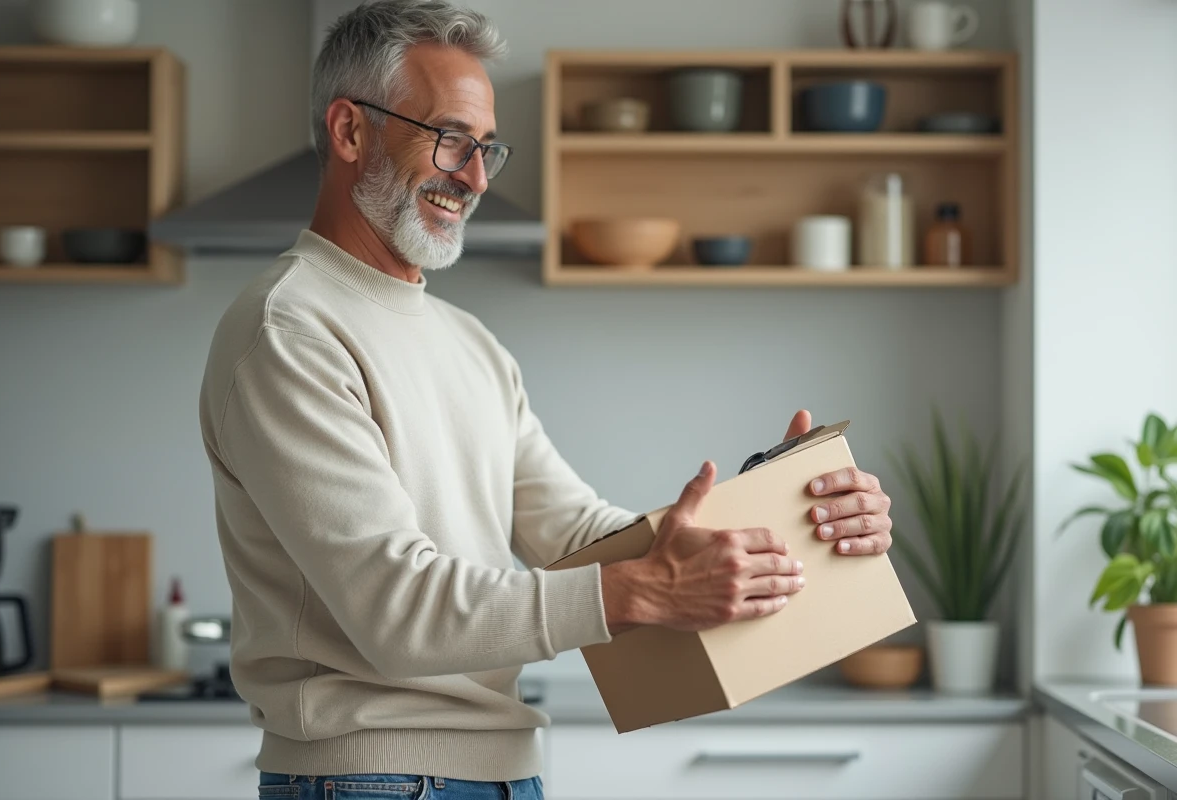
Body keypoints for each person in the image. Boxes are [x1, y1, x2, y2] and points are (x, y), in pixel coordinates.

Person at [198, 2, 895, 798]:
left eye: (486, 147)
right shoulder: (288, 329)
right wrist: (644, 590)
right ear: (352, 133)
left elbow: (577, 534)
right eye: (451, 138)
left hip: (504, 776)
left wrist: (784, 514)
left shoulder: (472, 344)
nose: (477, 176)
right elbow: (396, 608)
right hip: (373, 783)